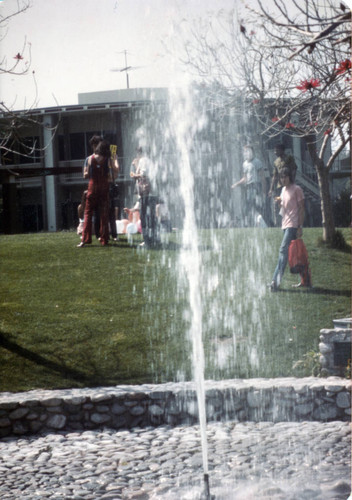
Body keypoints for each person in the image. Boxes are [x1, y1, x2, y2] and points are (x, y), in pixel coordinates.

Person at [78, 140, 119, 247]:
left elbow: (86, 174)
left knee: (87, 213)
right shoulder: (108, 159)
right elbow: (116, 172)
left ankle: (85, 239)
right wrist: (114, 159)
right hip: (104, 187)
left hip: (92, 187)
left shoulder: (90, 159)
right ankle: (104, 239)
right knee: (104, 214)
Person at [270, 167, 305, 291]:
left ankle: (275, 281)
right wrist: (279, 204)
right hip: (285, 224)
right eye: (281, 177)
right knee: (295, 253)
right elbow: (284, 209)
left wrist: (300, 226)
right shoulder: (283, 190)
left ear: (290, 177)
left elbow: (301, 209)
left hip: (293, 225)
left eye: (285, 176)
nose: (283, 179)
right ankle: (306, 280)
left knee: (283, 250)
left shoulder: (297, 189)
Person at [231, 144, 266, 227]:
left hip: (256, 186)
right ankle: (251, 224)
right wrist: (236, 184)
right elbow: (245, 179)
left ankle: (262, 223)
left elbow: (262, 177)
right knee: (249, 207)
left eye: (248, 151)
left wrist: (264, 191)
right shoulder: (245, 164)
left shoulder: (257, 162)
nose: (247, 153)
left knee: (256, 206)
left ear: (252, 152)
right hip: (249, 187)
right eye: (245, 151)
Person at [130, 148, 158, 248]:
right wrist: (136, 166)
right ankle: (154, 238)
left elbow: (142, 175)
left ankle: (147, 240)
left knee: (143, 216)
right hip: (153, 193)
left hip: (145, 193)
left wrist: (134, 174)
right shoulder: (153, 161)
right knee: (152, 216)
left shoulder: (143, 160)